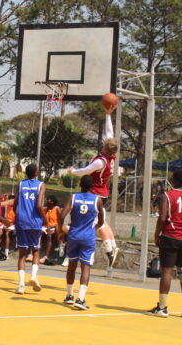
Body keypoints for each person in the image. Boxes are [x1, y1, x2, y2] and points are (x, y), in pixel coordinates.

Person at [66, 102, 120, 267]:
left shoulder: (100, 162)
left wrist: (73, 171)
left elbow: (86, 171)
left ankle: (109, 251)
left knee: (99, 223)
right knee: (104, 221)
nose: (103, 142)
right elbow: (109, 132)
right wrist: (108, 114)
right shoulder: (110, 155)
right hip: (103, 191)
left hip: (96, 192)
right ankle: (113, 246)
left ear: (105, 147)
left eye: (104, 143)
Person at [148, 170, 182, 319]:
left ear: (176, 180)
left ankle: (163, 307)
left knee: (167, 272)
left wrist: (157, 234)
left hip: (170, 236)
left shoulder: (167, 196)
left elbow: (162, 217)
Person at [57, 175, 104, 310]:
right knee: (86, 267)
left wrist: (60, 230)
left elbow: (61, 216)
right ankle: (81, 299)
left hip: (74, 235)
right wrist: (95, 227)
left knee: (72, 265)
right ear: (92, 186)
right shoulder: (97, 200)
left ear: (80, 185)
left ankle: (69, 295)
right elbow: (101, 220)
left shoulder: (73, 198)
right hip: (88, 237)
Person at [13, 163, 47, 294]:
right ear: (37, 172)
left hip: (21, 220)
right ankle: (33, 276)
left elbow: (15, 203)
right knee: (36, 250)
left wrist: (19, 214)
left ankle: (21, 285)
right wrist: (45, 220)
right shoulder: (41, 185)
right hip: (34, 221)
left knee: (22, 254)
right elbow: (39, 205)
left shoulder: (20, 184)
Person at [40, 195, 60, 265]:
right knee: (37, 233)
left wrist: (51, 227)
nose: (46, 201)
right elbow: (43, 221)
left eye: (48, 200)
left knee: (49, 236)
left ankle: (46, 257)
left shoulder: (57, 209)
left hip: (55, 227)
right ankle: (32, 254)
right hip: (47, 227)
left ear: (52, 202)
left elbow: (60, 220)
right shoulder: (46, 210)